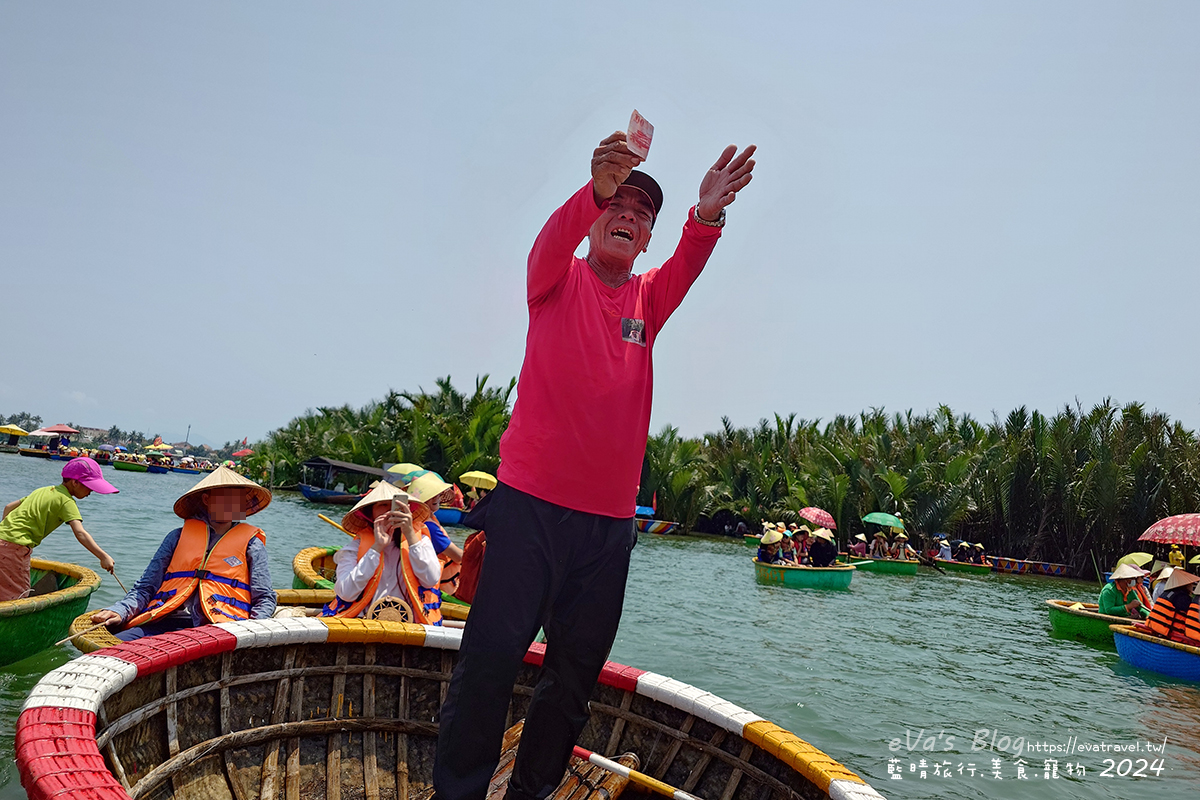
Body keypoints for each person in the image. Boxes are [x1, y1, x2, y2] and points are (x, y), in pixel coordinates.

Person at [434, 128, 756, 800]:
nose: (630, 215)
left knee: (573, 680)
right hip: (527, 511)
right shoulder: (556, 278)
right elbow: (553, 235)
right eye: (620, 204)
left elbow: (690, 260)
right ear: (594, 218)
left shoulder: (648, 300)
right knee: (488, 665)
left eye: (644, 215)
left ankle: (530, 793)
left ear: (645, 242)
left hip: (606, 531)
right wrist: (596, 187)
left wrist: (708, 214)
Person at [90, 467, 274, 640]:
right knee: (114, 644)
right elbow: (145, 587)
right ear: (206, 500)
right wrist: (120, 610)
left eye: (237, 499)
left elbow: (264, 598)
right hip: (165, 620)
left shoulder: (253, 544)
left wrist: (251, 633)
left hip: (219, 628)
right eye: (224, 497)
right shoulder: (176, 537)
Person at [322, 481, 444, 624]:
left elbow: (430, 579)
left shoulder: (420, 541)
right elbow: (346, 593)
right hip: (363, 623)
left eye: (394, 505)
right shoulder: (355, 547)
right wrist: (376, 548)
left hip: (411, 625)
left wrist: (410, 535)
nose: (389, 511)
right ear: (370, 514)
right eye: (382, 505)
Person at [0, 457, 118, 601]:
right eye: (89, 487)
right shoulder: (66, 501)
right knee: (18, 597)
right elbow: (80, 533)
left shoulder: (43, 490)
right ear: (75, 482)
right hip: (16, 548)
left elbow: (8, 507)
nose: (91, 492)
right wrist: (103, 557)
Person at [1143, 569, 1197, 639]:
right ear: (1186, 584)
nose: (1192, 586)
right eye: (1191, 584)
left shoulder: (1167, 593)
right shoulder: (1183, 598)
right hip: (1173, 635)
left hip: (1155, 629)